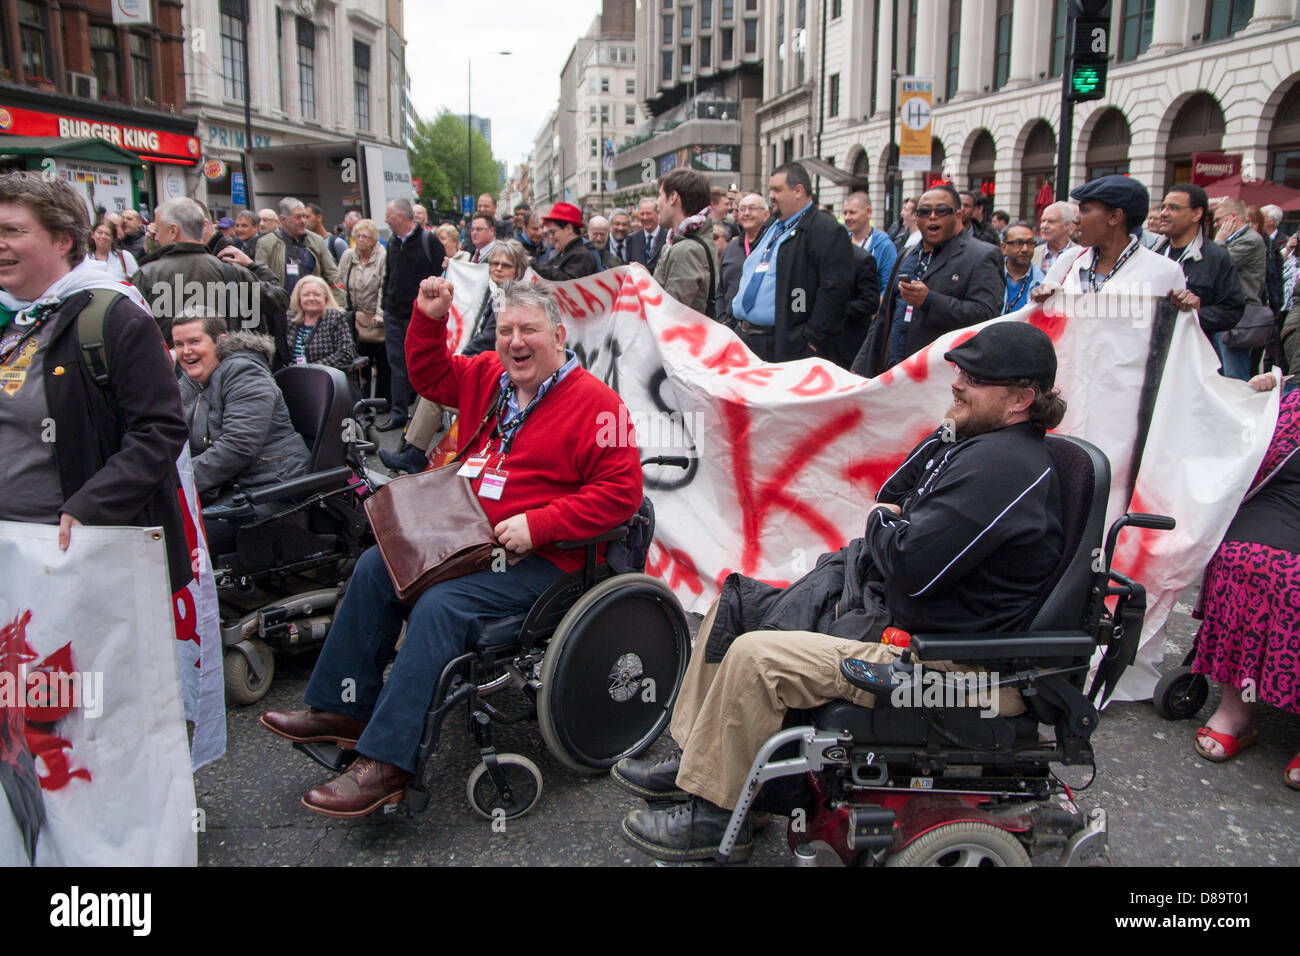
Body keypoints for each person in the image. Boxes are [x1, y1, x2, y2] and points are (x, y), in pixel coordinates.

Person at [615, 321, 1067, 860]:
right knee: (734, 603)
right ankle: (703, 766)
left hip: (950, 667)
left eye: (975, 378)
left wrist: (882, 521)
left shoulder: (1003, 466)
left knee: (758, 657)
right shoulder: (979, 444)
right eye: (960, 372)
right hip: (910, 620)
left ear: (1021, 399)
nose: (958, 384)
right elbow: (896, 506)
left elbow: (908, 564)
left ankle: (717, 820)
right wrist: (899, 505)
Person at [259, 279, 644, 818]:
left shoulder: (598, 405)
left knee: (443, 606)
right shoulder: (490, 376)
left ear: (558, 336)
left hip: (546, 559)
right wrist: (428, 317)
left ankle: (387, 763)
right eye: (506, 329)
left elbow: (622, 495)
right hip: (467, 537)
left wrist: (542, 523)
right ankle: (342, 708)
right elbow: (430, 375)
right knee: (376, 566)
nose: (515, 341)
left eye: (528, 330)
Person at [0, 171, 190, 593]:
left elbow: (160, 430)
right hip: (13, 556)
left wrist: (90, 508)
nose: (1, 242)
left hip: (83, 560)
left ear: (63, 240)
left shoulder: (114, 316)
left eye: (13, 230)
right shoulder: (13, 320)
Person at [1188, 370, 1300, 791]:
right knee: (1245, 561)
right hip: (1282, 499)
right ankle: (1238, 709)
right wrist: (1250, 402)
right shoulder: (1289, 399)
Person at [172, 312, 312, 556]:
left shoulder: (244, 372)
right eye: (179, 344)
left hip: (268, 489)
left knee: (178, 540)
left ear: (220, 341)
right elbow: (175, 437)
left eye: (195, 342)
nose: (186, 351)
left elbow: (238, 447)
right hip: (228, 487)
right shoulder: (192, 381)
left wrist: (177, 480)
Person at [852, 184, 1003, 377]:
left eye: (941, 211)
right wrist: (862, 364)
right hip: (894, 374)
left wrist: (930, 301)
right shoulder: (907, 255)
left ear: (958, 215)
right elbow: (884, 316)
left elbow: (987, 315)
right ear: (916, 218)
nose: (932, 216)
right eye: (924, 212)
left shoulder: (982, 255)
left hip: (942, 378)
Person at [729, 162, 855, 364]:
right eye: (770, 189)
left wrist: (809, 339)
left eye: (777, 190)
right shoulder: (772, 227)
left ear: (798, 191)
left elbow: (835, 289)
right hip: (746, 338)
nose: (771, 195)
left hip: (783, 346)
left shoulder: (824, 230)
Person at [131, 196, 290, 350]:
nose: (156, 236)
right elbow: (279, 300)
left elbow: (133, 334)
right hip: (227, 371)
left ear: (173, 230)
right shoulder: (232, 272)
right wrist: (252, 265)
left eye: (158, 230)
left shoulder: (146, 275)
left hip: (169, 372)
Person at [1034, 175, 1185, 299]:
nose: (1076, 219)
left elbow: (1174, 329)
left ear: (1114, 217)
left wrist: (1186, 307)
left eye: (1084, 211)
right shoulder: (1069, 260)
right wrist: (1041, 299)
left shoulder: (1165, 271)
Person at [378, 197, 445, 431]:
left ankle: (426, 417)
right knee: (396, 363)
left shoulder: (429, 241)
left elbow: (441, 275)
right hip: (394, 314)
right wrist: (386, 304)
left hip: (420, 315)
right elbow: (389, 275)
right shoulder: (392, 243)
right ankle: (398, 413)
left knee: (423, 364)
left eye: (388, 215)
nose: (385, 219)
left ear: (400, 217)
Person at [1152, 184, 1245, 349]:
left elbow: (1232, 312)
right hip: (1149, 351)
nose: (1164, 213)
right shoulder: (1152, 253)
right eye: (1163, 207)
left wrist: (1195, 312)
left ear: (1197, 214)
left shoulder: (1217, 257)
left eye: (1173, 208)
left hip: (1193, 354)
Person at [652, 167, 719, 316]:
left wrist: (644, 283)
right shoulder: (686, 241)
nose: (657, 204)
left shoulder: (686, 250)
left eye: (660, 195)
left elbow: (670, 314)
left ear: (673, 198)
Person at [337, 217, 388, 403]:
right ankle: (362, 400)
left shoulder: (382, 256)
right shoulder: (348, 256)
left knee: (382, 361)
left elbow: (384, 286)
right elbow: (339, 283)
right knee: (359, 361)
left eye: (365, 236)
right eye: (357, 236)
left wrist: (380, 313)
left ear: (374, 239)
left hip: (374, 315)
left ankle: (381, 400)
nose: (360, 240)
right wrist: (341, 307)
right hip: (354, 315)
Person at [255, 197, 343, 303]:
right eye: (298, 217)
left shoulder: (316, 240)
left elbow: (333, 275)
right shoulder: (266, 243)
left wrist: (339, 306)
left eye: (305, 216)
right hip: (282, 309)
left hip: (313, 307)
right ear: (283, 220)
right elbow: (260, 280)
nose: (303, 221)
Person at [716, 193, 770, 327]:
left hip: (765, 333)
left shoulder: (774, 246)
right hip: (733, 329)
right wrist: (722, 319)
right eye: (742, 209)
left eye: (752, 208)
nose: (746, 213)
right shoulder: (730, 248)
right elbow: (721, 290)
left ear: (766, 215)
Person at [285, 274, 357, 373]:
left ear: (325, 297)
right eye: (306, 295)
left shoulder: (335, 318)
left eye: (316, 295)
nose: (311, 298)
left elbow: (346, 353)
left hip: (324, 378)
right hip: (292, 377)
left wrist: (312, 368)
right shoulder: (290, 319)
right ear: (299, 298)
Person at [844, 190, 897, 299]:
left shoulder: (884, 246)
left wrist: (872, 313)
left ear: (868, 212)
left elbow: (888, 288)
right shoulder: (841, 243)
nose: (847, 218)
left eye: (852, 212)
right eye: (845, 213)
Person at [532, 202, 599, 281]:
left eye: (553, 232)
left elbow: (567, 283)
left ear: (568, 229)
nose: (551, 236)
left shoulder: (582, 255)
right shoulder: (564, 253)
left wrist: (534, 264)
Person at [1001, 221, 1044, 315]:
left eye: (1030, 243)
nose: (1025, 249)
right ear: (1003, 247)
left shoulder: (1042, 282)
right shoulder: (991, 276)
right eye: (1018, 243)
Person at [1031, 200, 1080, 274]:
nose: (1044, 226)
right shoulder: (1032, 253)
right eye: (1043, 221)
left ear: (1066, 225)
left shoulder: (1081, 254)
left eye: (1051, 221)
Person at [626, 197, 667, 271]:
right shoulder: (632, 239)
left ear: (657, 213)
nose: (645, 217)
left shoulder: (668, 237)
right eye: (642, 214)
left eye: (648, 213)